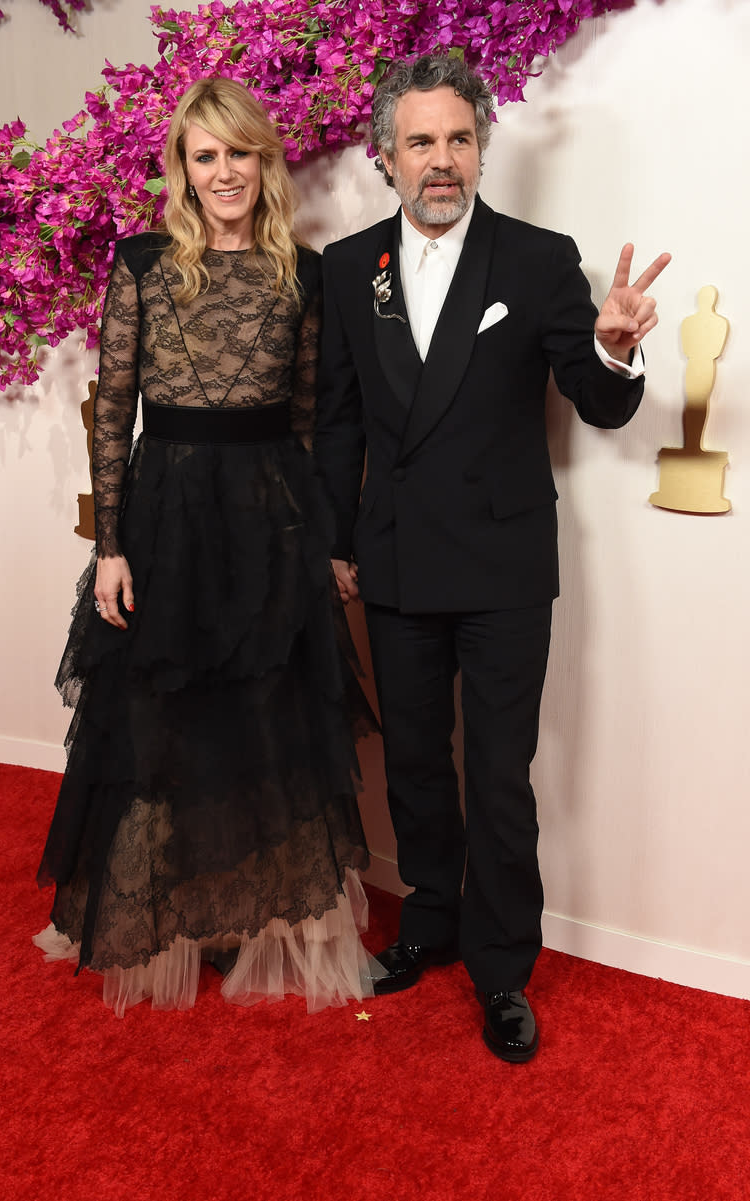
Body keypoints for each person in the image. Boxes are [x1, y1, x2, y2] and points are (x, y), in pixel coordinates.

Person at [315, 54, 670, 1062]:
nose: (441, 160)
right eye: (419, 141)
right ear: (386, 157)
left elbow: (597, 404)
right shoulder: (348, 269)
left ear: (479, 147)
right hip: (394, 562)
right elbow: (339, 423)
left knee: (500, 779)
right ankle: (427, 924)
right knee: (417, 765)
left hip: (505, 565)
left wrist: (609, 347)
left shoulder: (536, 259)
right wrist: (335, 541)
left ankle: (502, 966)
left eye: (457, 139)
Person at [35, 76, 379, 1017]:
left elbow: (310, 421)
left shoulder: (303, 274)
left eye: (239, 153)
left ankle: (254, 914)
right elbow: (112, 409)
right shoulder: (144, 262)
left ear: (265, 162)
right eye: (205, 155)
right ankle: (172, 910)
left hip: (270, 515)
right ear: (182, 169)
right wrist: (111, 543)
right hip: (167, 514)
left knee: (267, 714)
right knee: (161, 718)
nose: (224, 171)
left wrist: (323, 542)